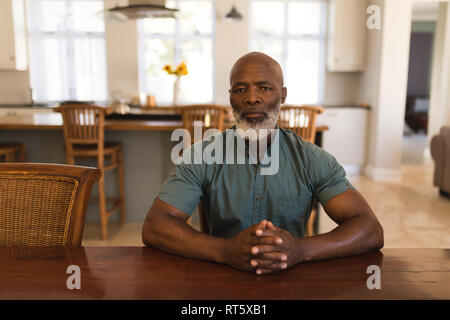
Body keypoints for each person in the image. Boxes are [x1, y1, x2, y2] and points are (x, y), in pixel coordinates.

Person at [142, 52, 384, 275]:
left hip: (291, 279)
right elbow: (155, 225)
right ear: (230, 97)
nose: (252, 98)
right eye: (240, 90)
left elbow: (370, 229)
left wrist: (300, 250)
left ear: (283, 95)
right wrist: (224, 250)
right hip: (221, 278)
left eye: (265, 88)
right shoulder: (202, 156)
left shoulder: (312, 159)